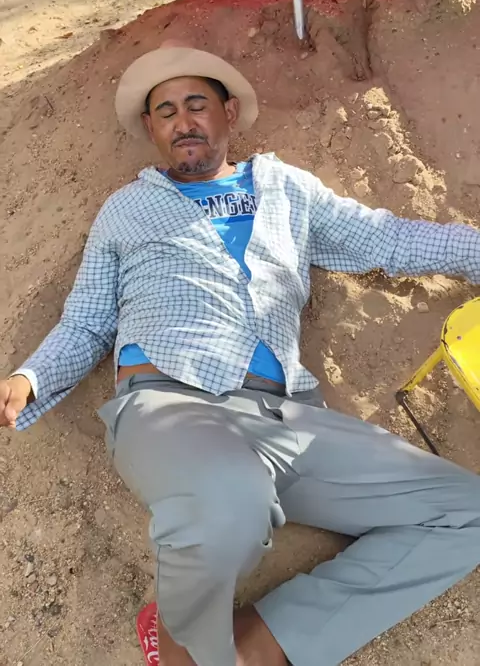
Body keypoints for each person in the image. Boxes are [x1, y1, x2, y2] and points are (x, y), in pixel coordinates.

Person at [1, 44, 480, 666]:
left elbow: (386, 238)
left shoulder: (288, 191)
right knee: (231, 504)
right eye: (166, 112)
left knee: (463, 512)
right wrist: (30, 378)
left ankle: (258, 645)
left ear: (228, 113)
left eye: (196, 104)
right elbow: (87, 321)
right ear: (151, 129)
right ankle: (183, 643)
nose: (182, 121)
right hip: (170, 408)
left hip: (288, 417)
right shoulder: (126, 210)